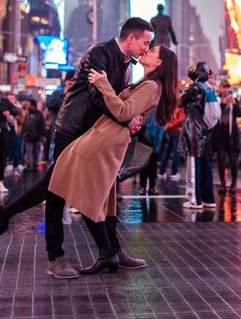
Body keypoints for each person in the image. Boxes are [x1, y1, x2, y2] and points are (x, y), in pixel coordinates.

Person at [0, 17, 153, 279]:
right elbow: (99, 97)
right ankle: (57, 256)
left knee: (101, 190)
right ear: (131, 38)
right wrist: (126, 117)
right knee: (56, 191)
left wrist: (130, 116)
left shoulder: (126, 64)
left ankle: (110, 250)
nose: (146, 49)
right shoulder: (98, 54)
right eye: (145, 43)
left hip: (95, 133)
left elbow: (116, 101)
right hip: (72, 130)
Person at [48, 45, 178, 275]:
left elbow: (122, 111)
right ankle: (110, 252)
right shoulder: (146, 82)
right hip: (106, 140)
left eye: (152, 49)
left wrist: (103, 83)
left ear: (159, 63)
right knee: (98, 199)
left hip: (104, 141)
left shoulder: (150, 86)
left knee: (69, 189)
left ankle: (103, 253)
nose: (147, 49)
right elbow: (127, 112)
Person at [178, 62, 221, 209]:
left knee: (193, 165)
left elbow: (179, 102)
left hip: (193, 133)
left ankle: (194, 200)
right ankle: (209, 199)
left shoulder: (194, 88)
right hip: (206, 132)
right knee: (206, 164)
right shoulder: (209, 89)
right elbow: (215, 113)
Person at [213, 82, 241, 194]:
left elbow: (240, 114)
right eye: (223, 87)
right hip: (220, 133)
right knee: (220, 159)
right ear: (220, 89)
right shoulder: (217, 100)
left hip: (231, 134)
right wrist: (223, 104)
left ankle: (234, 182)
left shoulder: (234, 100)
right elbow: (215, 114)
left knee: (233, 160)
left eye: (227, 88)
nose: (225, 90)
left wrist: (234, 104)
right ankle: (222, 183)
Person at [138, 111, 164, 196]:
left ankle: (152, 186)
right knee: (144, 161)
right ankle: (143, 186)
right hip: (145, 129)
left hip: (157, 131)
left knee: (153, 161)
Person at [158, 103, 184, 181]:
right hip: (176, 131)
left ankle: (161, 172)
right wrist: (171, 125)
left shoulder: (168, 104)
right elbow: (180, 119)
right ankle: (174, 173)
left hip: (168, 131)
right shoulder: (180, 105)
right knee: (176, 152)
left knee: (167, 152)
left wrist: (168, 126)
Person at [23, 99, 46, 169]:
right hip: (28, 136)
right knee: (28, 151)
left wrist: (41, 135)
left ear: (32, 105)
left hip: (37, 136)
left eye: (28, 104)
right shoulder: (27, 113)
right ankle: (29, 164)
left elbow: (42, 125)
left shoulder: (39, 114)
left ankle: (35, 164)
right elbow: (25, 124)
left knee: (36, 151)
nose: (27, 106)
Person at [7, 92, 24, 178]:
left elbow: (22, 121)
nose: (10, 100)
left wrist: (16, 117)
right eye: (9, 99)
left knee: (16, 151)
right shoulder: (4, 108)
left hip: (15, 131)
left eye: (12, 99)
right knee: (6, 150)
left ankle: (15, 169)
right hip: (5, 131)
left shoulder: (19, 108)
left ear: (15, 99)